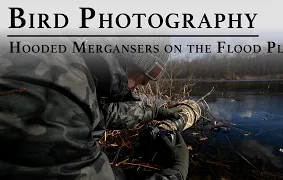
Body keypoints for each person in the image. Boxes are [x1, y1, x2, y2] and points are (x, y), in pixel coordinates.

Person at [0, 35, 189, 180]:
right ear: (131, 57)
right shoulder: (53, 94)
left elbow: (101, 112)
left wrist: (154, 112)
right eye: (144, 77)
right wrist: (176, 173)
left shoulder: (67, 62)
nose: (141, 85)